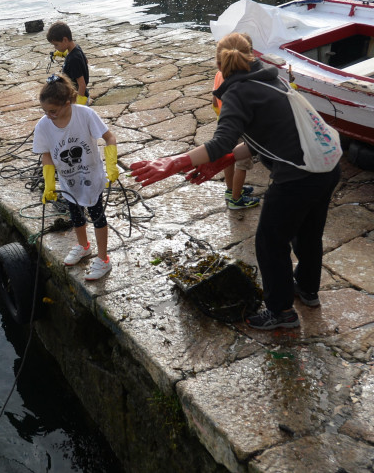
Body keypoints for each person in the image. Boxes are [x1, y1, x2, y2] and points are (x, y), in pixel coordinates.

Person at [130, 32, 341, 330]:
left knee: (269, 241)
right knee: (307, 234)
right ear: (251, 55)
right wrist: (225, 161)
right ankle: (306, 289)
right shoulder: (271, 80)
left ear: (219, 64)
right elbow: (260, 138)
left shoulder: (237, 93)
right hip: (327, 165)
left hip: (297, 175)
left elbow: (220, 142)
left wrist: (172, 162)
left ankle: (281, 312)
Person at [33, 74, 119, 281]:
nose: (48, 115)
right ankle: (83, 246)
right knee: (76, 215)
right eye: (45, 111)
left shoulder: (85, 114)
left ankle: (103, 258)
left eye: (53, 111)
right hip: (68, 180)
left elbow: (109, 137)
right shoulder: (43, 125)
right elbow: (46, 156)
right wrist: (48, 184)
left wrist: (111, 165)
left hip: (91, 175)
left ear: (66, 103)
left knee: (97, 216)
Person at [212, 34, 259, 210]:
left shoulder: (219, 74)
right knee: (242, 163)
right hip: (241, 129)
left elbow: (214, 100)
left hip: (223, 123)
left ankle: (231, 190)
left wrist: (219, 116)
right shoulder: (246, 81)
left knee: (228, 159)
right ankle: (236, 199)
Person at [46, 21, 90, 105]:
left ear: (65, 40)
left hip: (78, 97)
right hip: (79, 95)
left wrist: (79, 105)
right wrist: (60, 54)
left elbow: (82, 85)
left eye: (56, 45)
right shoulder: (76, 48)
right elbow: (86, 61)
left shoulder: (73, 59)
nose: (55, 48)